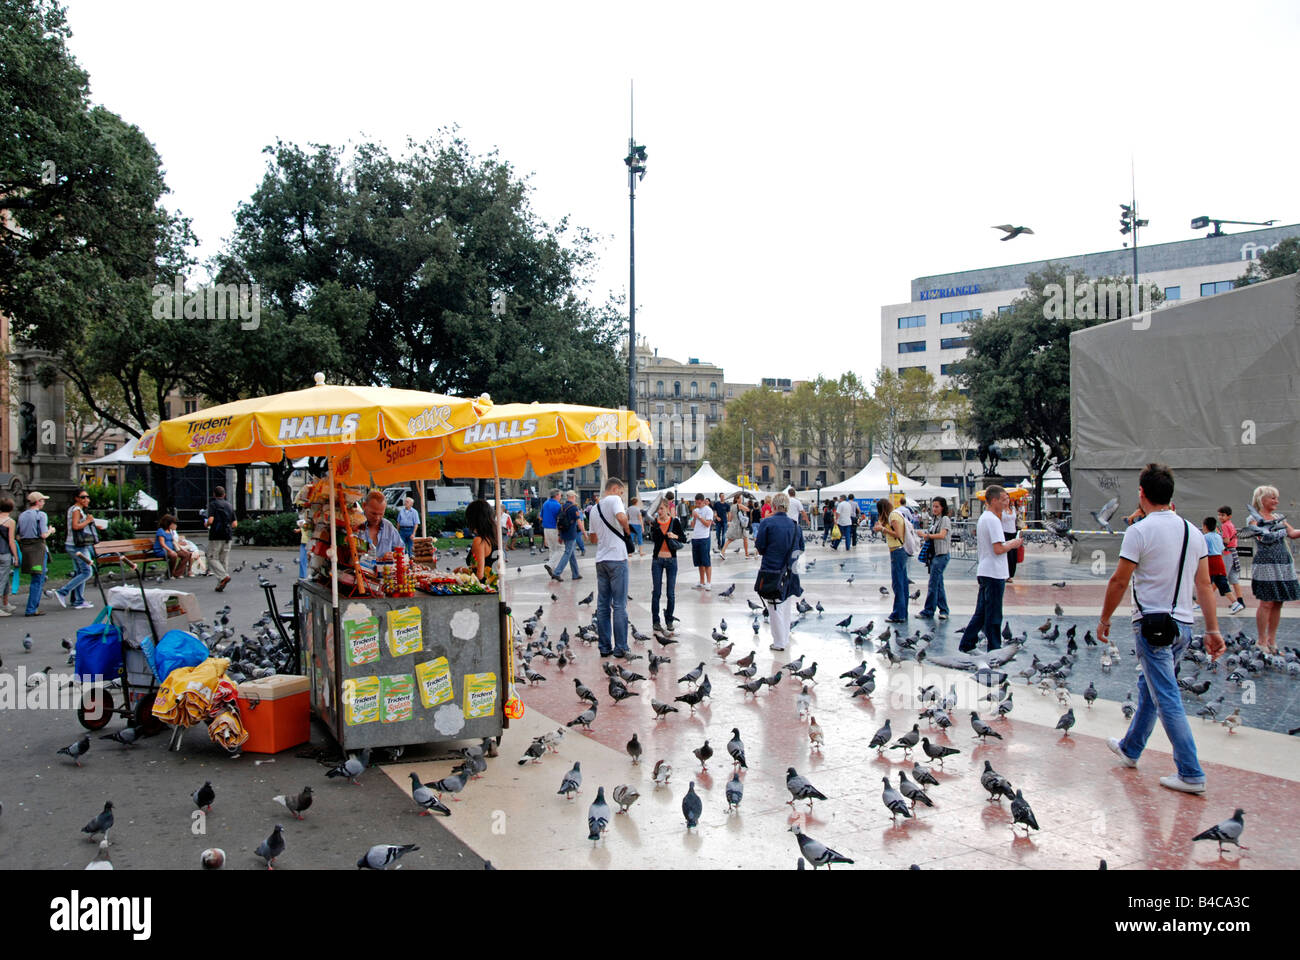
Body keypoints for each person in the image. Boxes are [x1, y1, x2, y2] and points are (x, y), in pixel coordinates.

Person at [1100, 463, 1223, 794]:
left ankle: (1190, 772)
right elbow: (1205, 585)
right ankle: (1131, 747)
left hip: (1152, 626)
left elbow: (1119, 580)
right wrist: (1212, 630)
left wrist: (1104, 618)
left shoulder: (1139, 531)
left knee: (1166, 695)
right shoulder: (1192, 532)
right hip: (1183, 625)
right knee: (1149, 686)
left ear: (1141, 494)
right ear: (1171, 494)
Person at [957, 486, 1022, 652]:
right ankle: (994, 649)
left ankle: (967, 643)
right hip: (994, 572)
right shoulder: (993, 520)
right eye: (1003, 499)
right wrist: (1013, 544)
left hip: (987, 570)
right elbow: (998, 548)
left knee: (982, 612)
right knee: (993, 614)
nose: (1006, 503)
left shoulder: (986, 518)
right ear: (994, 500)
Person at [1245, 484, 1300, 655]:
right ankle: (1261, 641)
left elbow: (1292, 533)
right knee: (1267, 602)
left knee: (1278, 602)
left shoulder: (1278, 517)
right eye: (1273, 497)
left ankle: (1272, 641)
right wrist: (1280, 532)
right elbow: (1264, 537)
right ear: (1262, 500)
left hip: (1283, 562)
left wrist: (1284, 530)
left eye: (1276, 497)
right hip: (1266, 563)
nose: (1276, 500)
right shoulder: (1253, 518)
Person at [754, 491, 804, 651]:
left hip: (772, 569)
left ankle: (779, 642)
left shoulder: (767, 523)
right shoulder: (796, 526)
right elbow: (801, 548)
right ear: (787, 507)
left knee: (774, 606)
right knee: (787, 602)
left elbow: (760, 546)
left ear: (774, 506)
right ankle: (785, 636)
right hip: (791, 570)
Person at [588, 477, 632, 657]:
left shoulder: (593, 509)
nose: (622, 497)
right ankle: (620, 647)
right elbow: (621, 517)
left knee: (603, 606)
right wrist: (627, 532)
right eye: (622, 492)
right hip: (617, 559)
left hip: (601, 560)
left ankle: (604, 647)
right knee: (620, 605)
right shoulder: (614, 500)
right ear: (615, 489)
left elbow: (592, 538)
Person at [49, 488, 97, 609]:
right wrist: (88, 521)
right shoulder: (76, 510)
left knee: (80, 572)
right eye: (83, 497)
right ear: (77, 498)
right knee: (87, 572)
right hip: (77, 545)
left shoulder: (75, 509)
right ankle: (62, 592)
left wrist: (91, 523)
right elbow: (75, 526)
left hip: (74, 544)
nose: (86, 499)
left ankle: (78, 600)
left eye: (87, 497)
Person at [649, 497, 685, 633]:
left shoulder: (674, 522)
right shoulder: (655, 523)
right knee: (656, 592)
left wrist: (674, 535)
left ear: (667, 508)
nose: (659, 512)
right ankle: (656, 621)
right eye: (658, 509)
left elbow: (683, 538)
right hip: (657, 560)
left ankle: (669, 619)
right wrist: (655, 528)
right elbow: (653, 539)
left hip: (671, 560)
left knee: (670, 593)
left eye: (661, 509)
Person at [18, 491, 55, 616]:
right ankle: (31, 608)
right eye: (43, 500)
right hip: (38, 550)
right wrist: (51, 530)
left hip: (26, 549)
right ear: (38, 502)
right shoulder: (41, 515)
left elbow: (18, 535)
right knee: (38, 578)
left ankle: (33, 606)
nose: (44, 502)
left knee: (37, 576)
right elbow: (43, 534)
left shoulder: (22, 515)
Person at [874, 499, 910, 623]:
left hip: (897, 551)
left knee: (898, 583)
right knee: (903, 583)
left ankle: (898, 614)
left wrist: (883, 529)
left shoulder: (893, 516)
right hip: (900, 551)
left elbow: (898, 534)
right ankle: (903, 612)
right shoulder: (894, 515)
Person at [917, 497, 952, 621]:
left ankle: (929, 610)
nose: (934, 509)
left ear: (943, 507)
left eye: (937, 506)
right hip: (935, 554)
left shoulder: (945, 519)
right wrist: (925, 536)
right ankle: (943, 610)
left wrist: (927, 535)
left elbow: (942, 535)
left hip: (941, 555)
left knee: (933, 583)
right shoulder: (935, 520)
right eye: (933, 506)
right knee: (938, 583)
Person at [205, 485, 237, 591]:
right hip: (228, 535)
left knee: (211, 557)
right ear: (224, 495)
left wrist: (206, 525)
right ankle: (220, 584)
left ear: (214, 494)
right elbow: (235, 524)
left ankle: (223, 577)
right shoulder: (229, 505)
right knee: (224, 559)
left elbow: (210, 520)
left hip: (216, 535)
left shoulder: (213, 505)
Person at [1216, 505, 1246, 614]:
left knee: (1219, 577)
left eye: (1223, 515)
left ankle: (1204, 601)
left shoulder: (1224, 526)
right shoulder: (1231, 525)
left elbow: (1226, 540)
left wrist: (1219, 540)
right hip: (1233, 553)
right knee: (1234, 579)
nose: (1220, 517)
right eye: (1219, 515)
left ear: (1229, 516)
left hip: (1227, 553)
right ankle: (1240, 601)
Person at [357, 490, 402, 558]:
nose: (377, 518)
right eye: (373, 513)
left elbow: (401, 550)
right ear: (364, 506)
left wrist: (393, 555)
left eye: (381, 514)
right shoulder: (354, 524)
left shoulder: (388, 527)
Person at [1201, 517, 1232, 610]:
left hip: (1210, 561)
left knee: (1206, 583)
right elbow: (1222, 549)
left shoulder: (1205, 537)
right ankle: (1235, 602)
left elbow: (1202, 549)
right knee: (1221, 583)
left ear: (1205, 526)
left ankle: (1200, 603)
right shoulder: (1218, 536)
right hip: (1219, 560)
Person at [465, 499, 500, 581]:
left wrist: (461, 570)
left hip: (484, 588)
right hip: (495, 585)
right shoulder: (494, 538)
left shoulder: (479, 541)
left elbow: (479, 575)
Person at [688, 493, 714, 589]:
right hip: (695, 537)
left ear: (703, 501)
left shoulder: (708, 510)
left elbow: (708, 524)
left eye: (699, 503)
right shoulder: (695, 510)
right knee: (699, 561)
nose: (697, 505)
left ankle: (709, 582)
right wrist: (694, 518)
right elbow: (692, 526)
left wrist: (699, 516)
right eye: (696, 503)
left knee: (706, 561)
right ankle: (701, 581)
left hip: (704, 537)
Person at [153, 514, 192, 579]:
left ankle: (177, 573)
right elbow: (162, 544)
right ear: (168, 523)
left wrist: (182, 549)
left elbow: (174, 542)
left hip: (171, 550)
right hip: (162, 550)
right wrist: (170, 550)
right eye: (173, 523)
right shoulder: (161, 531)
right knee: (173, 555)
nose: (174, 525)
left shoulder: (170, 531)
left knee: (186, 554)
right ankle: (170, 574)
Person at [0, 496, 18, 616]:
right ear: (11, 509)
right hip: (4, 553)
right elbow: (11, 541)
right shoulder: (10, 522)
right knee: (2, 580)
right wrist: (16, 556)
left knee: (5, 580)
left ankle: (6, 604)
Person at [721, 492, 752, 559]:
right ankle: (746, 555)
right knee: (745, 539)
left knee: (730, 539)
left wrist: (729, 522)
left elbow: (730, 516)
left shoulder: (732, 506)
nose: (741, 499)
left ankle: (722, 552)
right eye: (740, 498)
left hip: (734, 524)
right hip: (740, 525)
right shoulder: (739, 505)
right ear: (737, 499)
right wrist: (746, 505)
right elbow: (748, 509)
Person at [1002, 497, 1020, 583]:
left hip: (1013, 532)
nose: (1007, 501)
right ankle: (1005, 574)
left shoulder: (1012, 508)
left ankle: (1010, 574)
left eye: (1008, 499)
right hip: (1004, 533)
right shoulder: (1001, 510)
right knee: (1007, 555)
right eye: (1005, 499)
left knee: (1013, 555)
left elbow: (1015, 519)